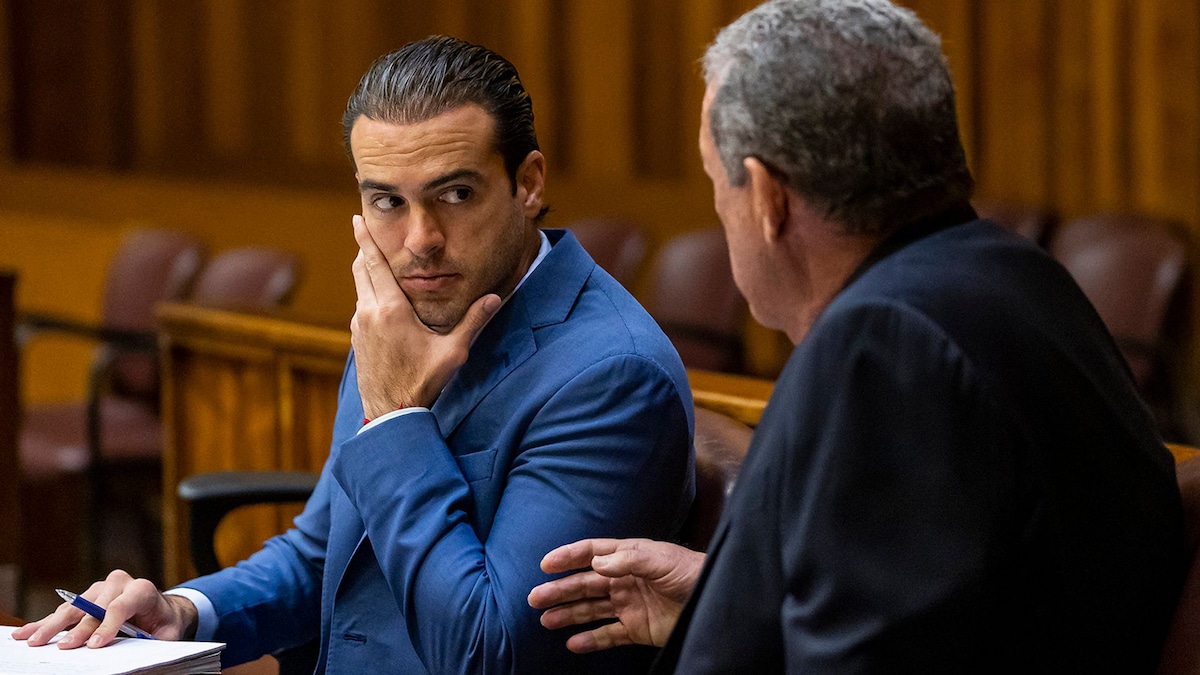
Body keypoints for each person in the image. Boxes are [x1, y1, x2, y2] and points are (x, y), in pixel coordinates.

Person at [528, 0, 1187, 671]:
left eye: (713, 180)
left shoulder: (882, 349)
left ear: (766, 199)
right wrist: (722, 594)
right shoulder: (1022, 279)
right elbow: (973, 599)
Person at [16, 36, 695, 673]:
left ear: (529, 183)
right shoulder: (397, 314)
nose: (420, 239)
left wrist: (398, 419)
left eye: (454, 194)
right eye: (387, 201)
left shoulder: (611, 374)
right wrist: (183, 610)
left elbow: (489, 651)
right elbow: (326, 553)